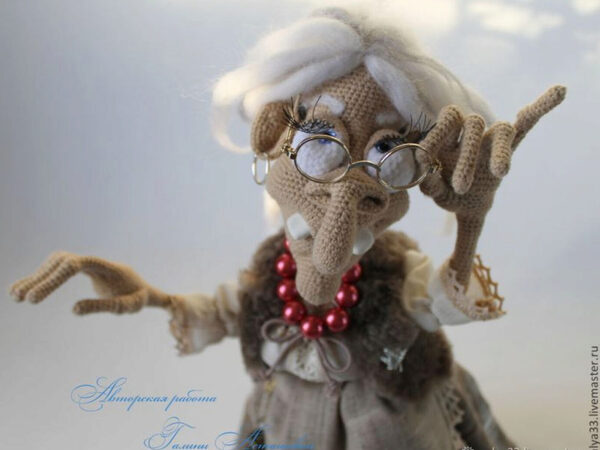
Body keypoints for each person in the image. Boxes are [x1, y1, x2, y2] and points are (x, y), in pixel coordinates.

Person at [10, 6, 565, 449]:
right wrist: (154, 297)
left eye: (387, 152)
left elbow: (445, 296)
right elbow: (225, 311)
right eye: (321, 140)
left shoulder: (398, 275)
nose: (348, 182)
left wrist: (470, 223)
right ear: (271, 138)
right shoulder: (270, 273)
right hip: (288, 422)